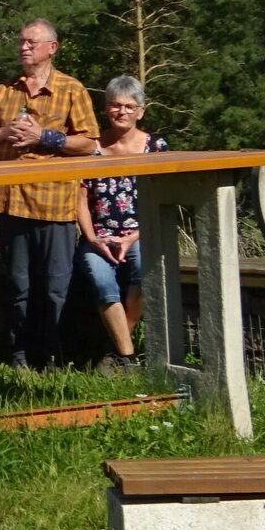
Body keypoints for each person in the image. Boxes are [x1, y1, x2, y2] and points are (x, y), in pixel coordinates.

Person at [0, 19, 100, 367]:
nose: (24, 47)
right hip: (11, 203)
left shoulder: (72, 90)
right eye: (20, 41)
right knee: (18, 287)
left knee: (54, 288)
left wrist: (44, 138)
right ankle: (19, 356)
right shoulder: (3, 90)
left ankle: (53, 356)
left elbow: (90, 143)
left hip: (55, 207)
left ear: (52, 47)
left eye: (32, 42)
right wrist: (6, 132)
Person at [78, 75, 167, 375]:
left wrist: (132, 238)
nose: (122, 112)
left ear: (141, 111)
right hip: (98, 236)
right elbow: (79, 198)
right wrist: (92, 239)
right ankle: (128, 356)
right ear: (106, 109)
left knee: (144, 270)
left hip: (142, 232)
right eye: (115, 105)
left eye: (130, 106)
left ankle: (115, 348)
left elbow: (162, 198)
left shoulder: (155, 147)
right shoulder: (91, 149)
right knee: (102, 282)